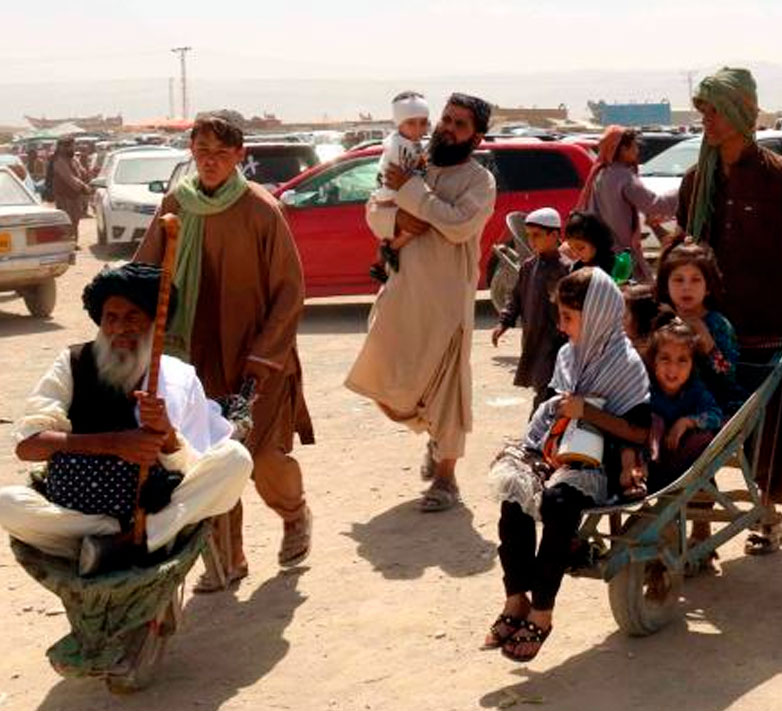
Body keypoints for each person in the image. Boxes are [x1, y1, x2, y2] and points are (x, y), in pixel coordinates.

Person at [135, 113, 315, 592]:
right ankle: (228, 559)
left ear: (239, 156)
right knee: (210, 461)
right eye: (201, 152)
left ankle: (294, 515)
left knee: (265, 458)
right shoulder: (178, 205)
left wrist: (263, 357)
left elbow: (289, 292)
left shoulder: (261, 209)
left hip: (258, 361)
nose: (210, 162)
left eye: (220, 153)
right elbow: (145, 271)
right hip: (192, 359)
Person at [675, 67, 782, 556]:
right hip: (712, 330)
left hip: (773, 328)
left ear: (742, 114)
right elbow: (684, 253)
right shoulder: (696, 181)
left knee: (770, 431)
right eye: (703, 111)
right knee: (703, 425)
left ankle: (767, 512)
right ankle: (700, 524)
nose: (707, 120)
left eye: (716, 110)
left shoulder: (779, 175)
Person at [0, 264, 251, 576]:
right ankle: (116, 538)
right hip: (78, 513)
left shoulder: (178, 376)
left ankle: (136, 538)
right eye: (111, 318)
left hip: (157, 507)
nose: (120, 328)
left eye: (132, 317)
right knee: (6, 502)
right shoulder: (73, 363)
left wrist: (168, 435)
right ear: (100, 321)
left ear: (154, 323)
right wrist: (114, 444)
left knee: (236, 460)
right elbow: (28, 447)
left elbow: (193, 468)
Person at [486, 267, 650, 662]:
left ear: (596, 316)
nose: (562, 326)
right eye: (561, 315)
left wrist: (587, 413)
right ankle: (516, 599)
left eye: (569, 317)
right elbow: (555, 409)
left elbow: (639, 433)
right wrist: (534, 445)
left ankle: (543, 611)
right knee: (513, 494)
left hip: (603, 461)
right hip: (558, 449)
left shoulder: (626, 364)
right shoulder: (568, 355)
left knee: (558, 503)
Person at [345, 94, 497, 513]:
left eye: (460, 124)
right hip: (401, 293)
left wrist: (411, 194)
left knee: (448, 388)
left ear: (477, 137)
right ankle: (432, 432)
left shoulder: (478, 181)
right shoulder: (413, 162)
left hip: (447, 302)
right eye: (446, 118)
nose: (447, 127)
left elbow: (457, 223)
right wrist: (396, 219)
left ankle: (446, 477)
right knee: (383, 379)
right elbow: (374, 207)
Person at [492, 207, 570, 415]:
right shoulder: (529, 267)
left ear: (554, 235)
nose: (532, 241)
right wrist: (504, 322)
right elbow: (515, 298)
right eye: (529, 236)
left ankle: (534, 439)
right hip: (533, 341)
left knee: (547, 393)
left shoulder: (567, 269)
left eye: (537, 235)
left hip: (557, 344)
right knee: (542, 388)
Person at [576, 126, 677, 282]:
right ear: (623, 149)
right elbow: (655, 205)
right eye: (635, 146)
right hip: (622, 259)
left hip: (602, 255)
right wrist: (686, 189)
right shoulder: (623, 177)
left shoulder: (601, 174)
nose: (637, 150)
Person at [655, 240, 740, 409]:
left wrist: (708, 345)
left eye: (695, 280)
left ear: (707, 287)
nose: (687, 287)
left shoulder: (718, 325)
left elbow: (728, 377)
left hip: (712, 405)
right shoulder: (661, 320)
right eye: (678, 280)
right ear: (666, 286)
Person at [645, 316, 724, 492]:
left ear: (692, 365)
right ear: (653, 363)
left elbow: (716, 415)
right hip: (651, 468)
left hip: (689, 469)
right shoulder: (646, 392)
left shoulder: (696, 392)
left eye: (682, 360)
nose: (673, 369)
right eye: (665, 359)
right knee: (652, 419)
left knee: (703, 436)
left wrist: (687, 422)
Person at [369, 91, 431, 283]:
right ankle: (392, 248)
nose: (418, 128)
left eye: (422, 122)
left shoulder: (409, 142)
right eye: (411, 123)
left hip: (394, 192)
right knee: (422, 219)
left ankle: (380, 260)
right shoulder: (399, 146)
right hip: (392, 193)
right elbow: (405, 176)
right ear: (399, 123)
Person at [49, 138, 91, 242]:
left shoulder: (73, 159)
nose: (73, 148)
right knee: (67, 220)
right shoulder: (58, 160)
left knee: (75, 219)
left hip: (75, 195)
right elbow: (68, 177)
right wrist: (83, 186)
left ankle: (74, 241)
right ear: (62, 147)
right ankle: (68, 242)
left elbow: (82, 172)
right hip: (64, 195)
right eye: (71, 146)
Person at [562, 211, 618, 276]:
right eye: (572, 248)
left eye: (581, 248)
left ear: (596, 241)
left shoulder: (615, 266)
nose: (575, 254)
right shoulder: (577, 268)